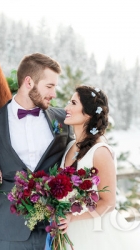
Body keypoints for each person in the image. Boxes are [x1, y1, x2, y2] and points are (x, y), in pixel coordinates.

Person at [0, 53, 74, 250]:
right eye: (49, 86)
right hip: (12, 230)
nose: (54, 94)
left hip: (57, 228)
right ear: (29, 82)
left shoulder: (63, 120)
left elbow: (80, 160)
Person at [56, 85, 140, 249]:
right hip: (70, 233)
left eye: (73, 103)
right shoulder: (70, 145)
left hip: (94, 233)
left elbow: (108, 202)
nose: (66, 107)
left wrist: (73, 217)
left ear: (88, 114)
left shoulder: (100, 151)